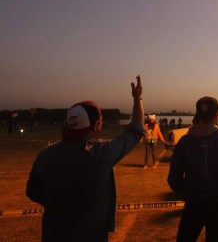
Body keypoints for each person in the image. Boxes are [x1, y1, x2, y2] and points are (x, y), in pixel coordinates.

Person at [26, 75, 145, 241]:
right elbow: (136, 130)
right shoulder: (100, 153)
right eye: (101, 122)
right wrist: (137, 98)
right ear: (95, 126)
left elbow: (32, 191)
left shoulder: (45, 154)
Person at [168, 96, 218, 242]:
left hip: (193, 204)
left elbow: (173, 180)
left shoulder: (185, 142)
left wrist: (188, 189)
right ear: (216, 115)